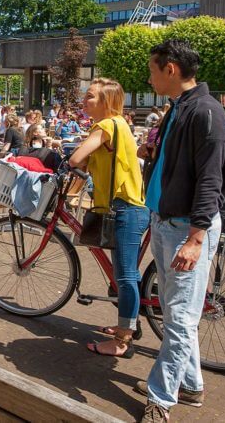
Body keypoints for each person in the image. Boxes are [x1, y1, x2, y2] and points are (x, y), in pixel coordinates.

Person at [135, 39, 225, 422]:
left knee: (180, 319)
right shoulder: (179, 109)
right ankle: (189, 386)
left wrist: (196, 237)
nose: (149, 76)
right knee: (179, 315)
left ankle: (161, 399)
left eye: (152, 69)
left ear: (170, 68)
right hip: (165, 220)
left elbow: (211, 180)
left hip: (184, 227)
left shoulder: (206, 112)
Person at [68, 78, 148, 359]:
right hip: (127, 206)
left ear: (105, 102)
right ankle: (125, 324)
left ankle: (123, 341)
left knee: (125, 276)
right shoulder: (120, 124)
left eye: (90, 96)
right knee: (123, 275)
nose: (84, 100)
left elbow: (76, 158)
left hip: (124, 208)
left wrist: (72, 158)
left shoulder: (105, 126)